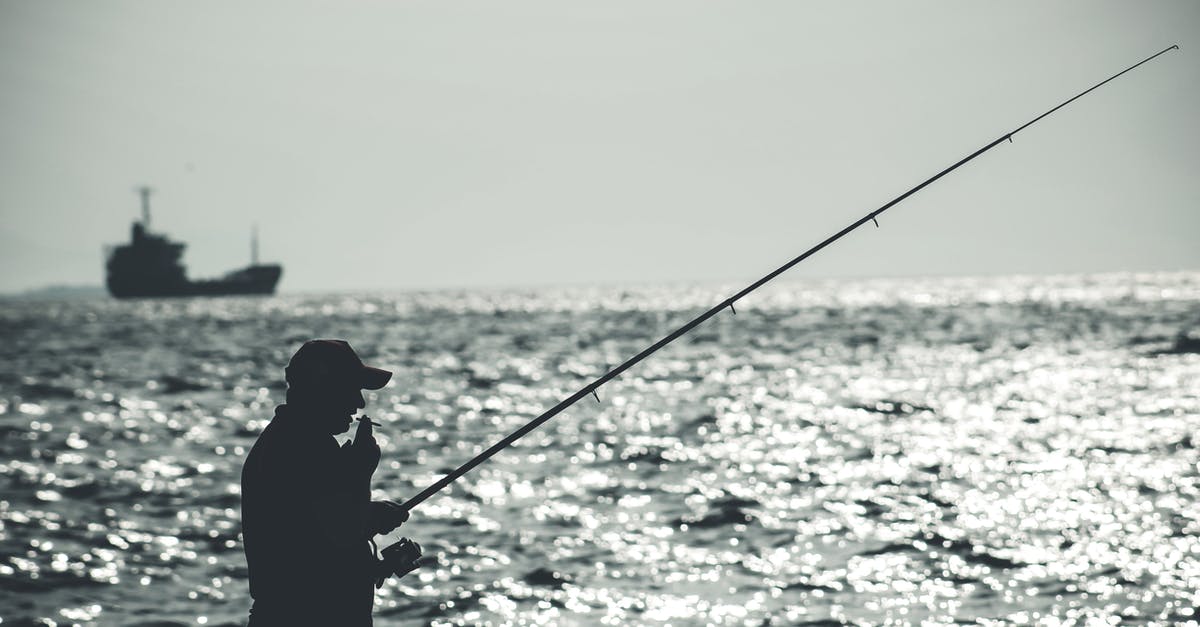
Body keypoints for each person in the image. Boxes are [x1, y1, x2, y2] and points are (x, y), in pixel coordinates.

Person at [241, 339, 423, 626]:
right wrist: (360, 473)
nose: (359, 402)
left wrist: (370, 514)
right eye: (351, 389)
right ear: (320, 388)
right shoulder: (302, 445)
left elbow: (313, 525)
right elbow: (343, 530)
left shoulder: (292, 438)